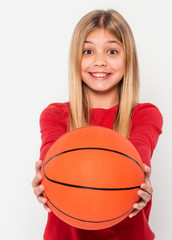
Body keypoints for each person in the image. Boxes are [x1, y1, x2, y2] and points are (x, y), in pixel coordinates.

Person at [31, 9, 163, 240]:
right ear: (76, 58)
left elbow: (139, 155)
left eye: (112, 51)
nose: (99, 61)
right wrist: (45, 178)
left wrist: (139, 177)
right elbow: (50, 155)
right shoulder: (55, 115)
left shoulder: (145, 114)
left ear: (127, 58)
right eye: (88, 51)